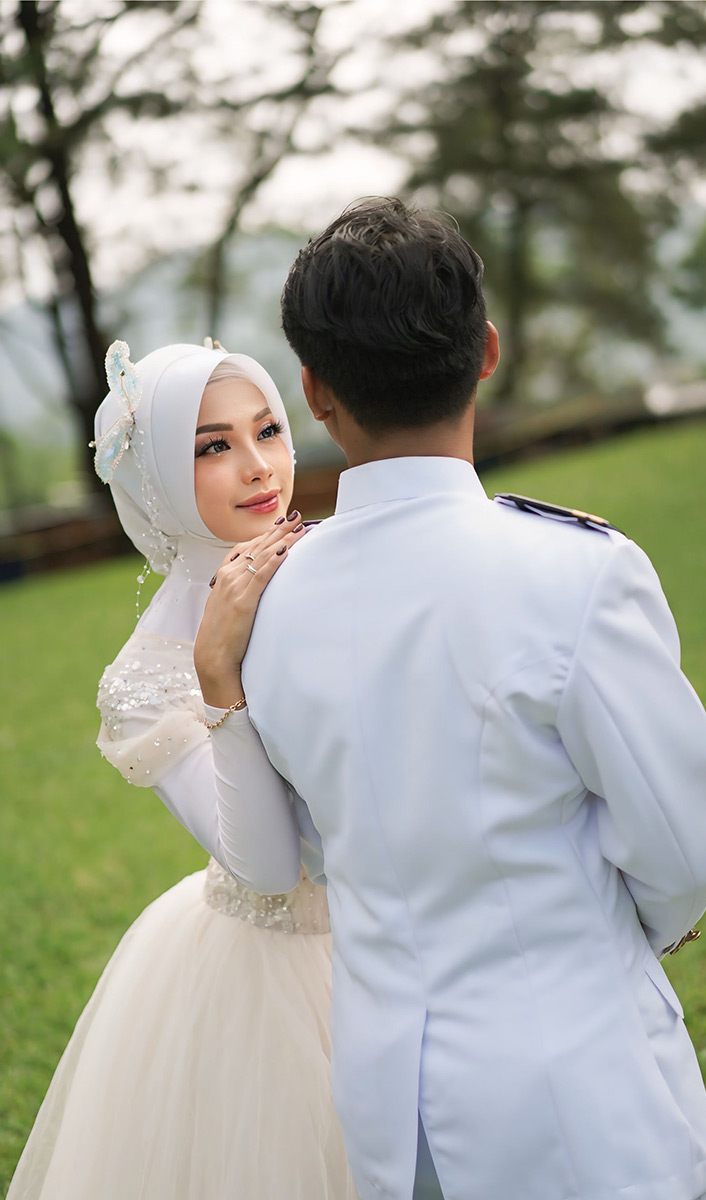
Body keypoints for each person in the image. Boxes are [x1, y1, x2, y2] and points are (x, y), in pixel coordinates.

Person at [222, 199, 706, 1200]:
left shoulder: (270, 605)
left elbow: (313, 844)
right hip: (578, 1097)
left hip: (387, 1104)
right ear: (487, 352)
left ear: (315, 390)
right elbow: (684, 842)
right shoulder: (576, 572)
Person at [7, 340, 357, 1200]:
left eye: (267, 430)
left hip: (412, 930)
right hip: (271, 989)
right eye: (212, 447)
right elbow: (266, 865)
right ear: (158, 473)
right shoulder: (147, 677)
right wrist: (219, 676)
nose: (258, 466)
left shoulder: (348, 565)